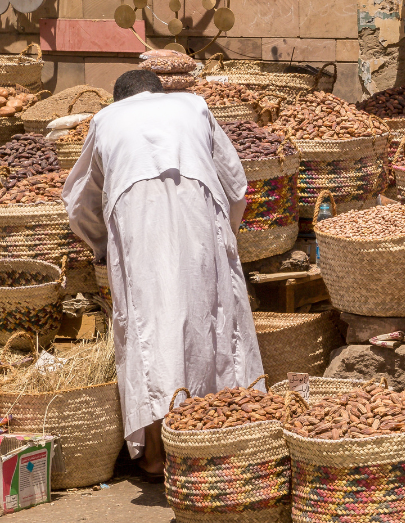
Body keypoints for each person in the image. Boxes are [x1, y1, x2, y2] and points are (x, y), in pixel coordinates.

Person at [63, 70, 263, 479]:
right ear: (158, 90)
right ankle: (219, 442)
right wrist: (224, 232)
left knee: (149, 332)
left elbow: (78, 201)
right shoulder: (193, 104)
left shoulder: (106, 119)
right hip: (200, 215)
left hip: (139, 227)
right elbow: (237, 183)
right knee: (212, 322)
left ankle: (156, 455)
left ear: (119, 99)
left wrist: (100, 246)